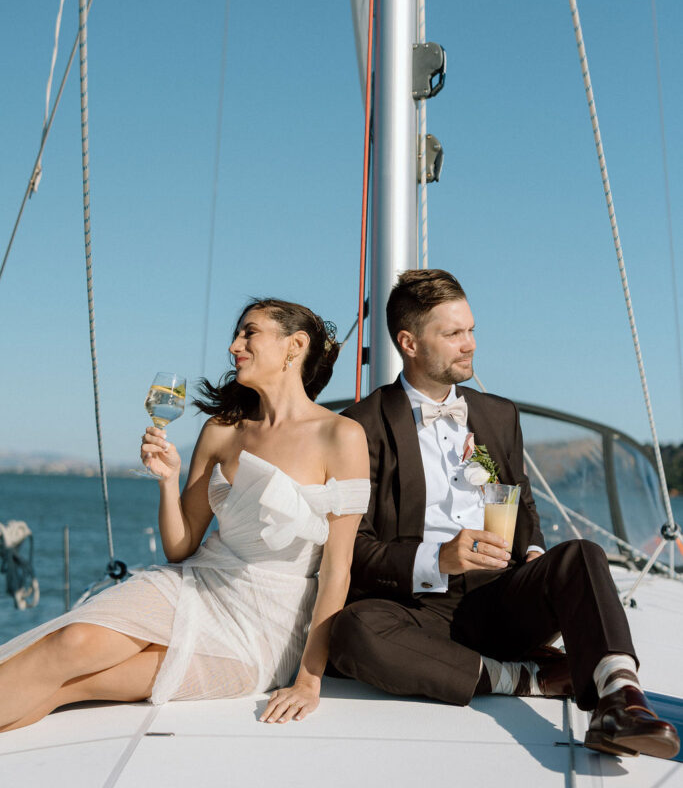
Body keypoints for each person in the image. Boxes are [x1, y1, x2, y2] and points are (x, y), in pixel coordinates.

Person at [329, 269, 680, 761]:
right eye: (453, 334)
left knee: (581, 555)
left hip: (499, 597)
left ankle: (621, 701)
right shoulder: (357, 426)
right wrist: (438, 558)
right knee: (352, 631)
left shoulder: (498, 414)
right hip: (414, 611)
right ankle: (524, 677)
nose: (469, 344)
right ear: (408, 342)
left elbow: (523, 503)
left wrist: (533, 553)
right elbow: (355, 547)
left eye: (470, 330)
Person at [0, 298, 370, 732]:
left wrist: (309, 680)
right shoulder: (220, 431)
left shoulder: (341, 436)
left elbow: (337, 570)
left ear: (296, 345)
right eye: (237, 334)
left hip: (263, 627)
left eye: (250, 332)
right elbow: (179, 548)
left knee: (77, 685)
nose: (235, 345)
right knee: (72, 640)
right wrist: (166, 479)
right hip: (194, 584)